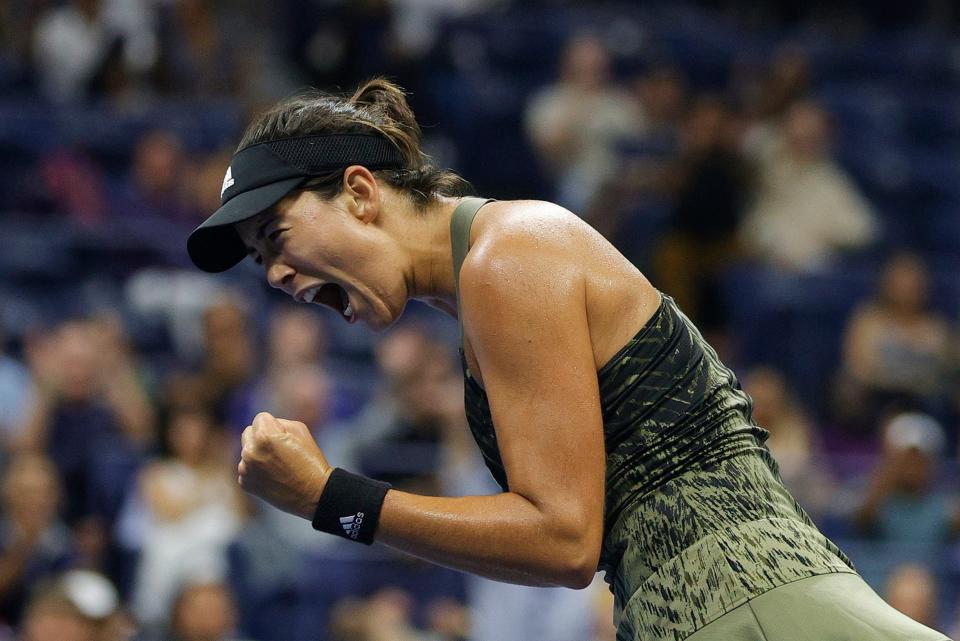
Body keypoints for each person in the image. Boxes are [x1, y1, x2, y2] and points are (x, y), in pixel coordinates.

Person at [185, 78, 951, 640]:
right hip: (698, 610)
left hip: (747, 608)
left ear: (358, 192)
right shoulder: (487, 275)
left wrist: (334, 498)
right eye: (262, 267)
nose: (279, 278)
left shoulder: (505, 258)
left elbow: (562, 537)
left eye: (277, 239)